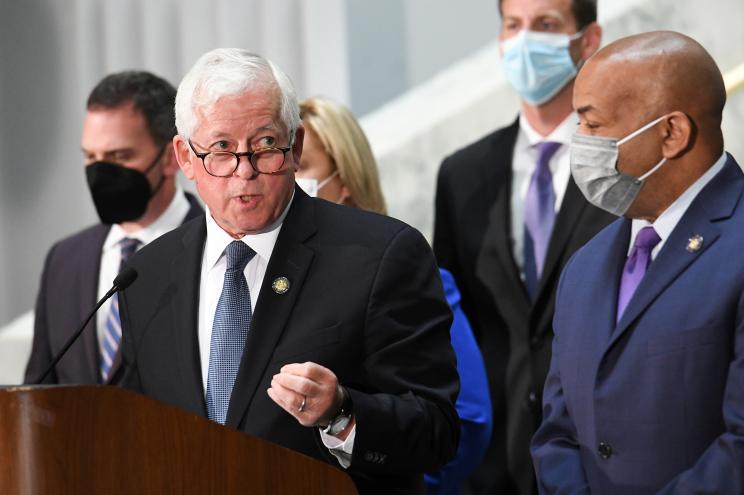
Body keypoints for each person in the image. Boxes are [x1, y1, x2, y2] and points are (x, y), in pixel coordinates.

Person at [117, 49, 460, 495]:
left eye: (264, 146)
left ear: (295, 146)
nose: (245, 173)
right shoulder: (147, 275)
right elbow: (135, 431)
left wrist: (343, 413)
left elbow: (437, 430)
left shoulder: (381, 255)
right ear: (185, 157)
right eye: (221, 149)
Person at [531, 31, 744, 494]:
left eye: (592, 124)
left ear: (672, 133)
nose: (578, 142)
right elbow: (557, 433)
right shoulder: (584, 267)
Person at [433, 1, 613, 493]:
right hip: (493, 464)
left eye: (547, 25)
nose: (525, 41)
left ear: (589, 40)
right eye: (514, 25)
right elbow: (451, 323)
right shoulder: (462, 174)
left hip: (600, 456)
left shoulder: (625, 166)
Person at [297, 96, 493, 494]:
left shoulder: (411, 277)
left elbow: (468, 420)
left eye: (300, 168)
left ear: (346, 180)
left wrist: (395, 478)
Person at [24, 71, 203, 385]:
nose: (100, 172)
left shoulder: (216, 251)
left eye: (120, 156)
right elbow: (39, 389)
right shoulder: (65, 260)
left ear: (172, 157)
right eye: (91, 157)